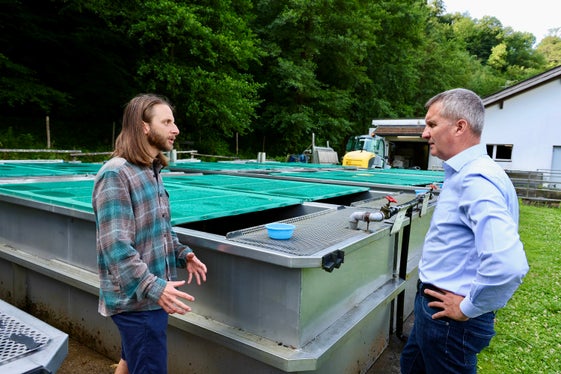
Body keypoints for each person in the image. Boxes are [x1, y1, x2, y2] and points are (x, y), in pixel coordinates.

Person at [400, 88, 529, 373]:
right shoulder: (471, 173)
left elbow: (507, 264)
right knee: (411, 365)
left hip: (450, 322)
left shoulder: (476, 180)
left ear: (460, 126)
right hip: (437, 311)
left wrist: (469, 308)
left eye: (432, 124)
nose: (424, 134)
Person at [92, 93, 208, 374]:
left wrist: (183, 254)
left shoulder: (151, 170)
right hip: (138, 302)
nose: (175, 129)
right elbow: (116, 247)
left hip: (150, 296)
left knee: (130, 359)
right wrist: (155, 288)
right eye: (166, 121)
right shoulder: (116, 174)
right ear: (144, 127)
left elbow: (159, 229)